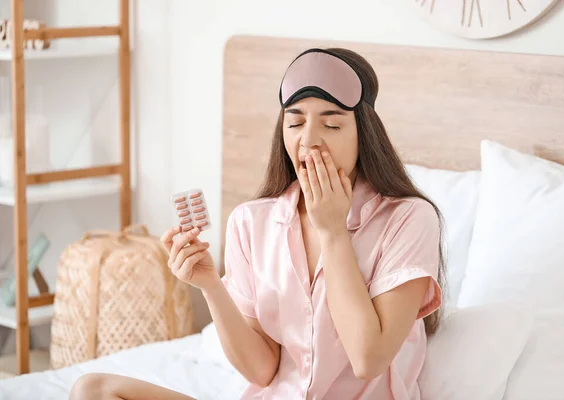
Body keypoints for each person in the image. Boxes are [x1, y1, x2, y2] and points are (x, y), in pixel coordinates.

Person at [69, 47, 445, 400]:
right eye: (295, 123)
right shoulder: (252, 221)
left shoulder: (408, 219)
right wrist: (211, 286)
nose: (308, 141)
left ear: (365, 134)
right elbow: (262, 370)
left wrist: (333, 231)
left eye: (331, 126)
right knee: (94, 388)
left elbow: (368, 359)